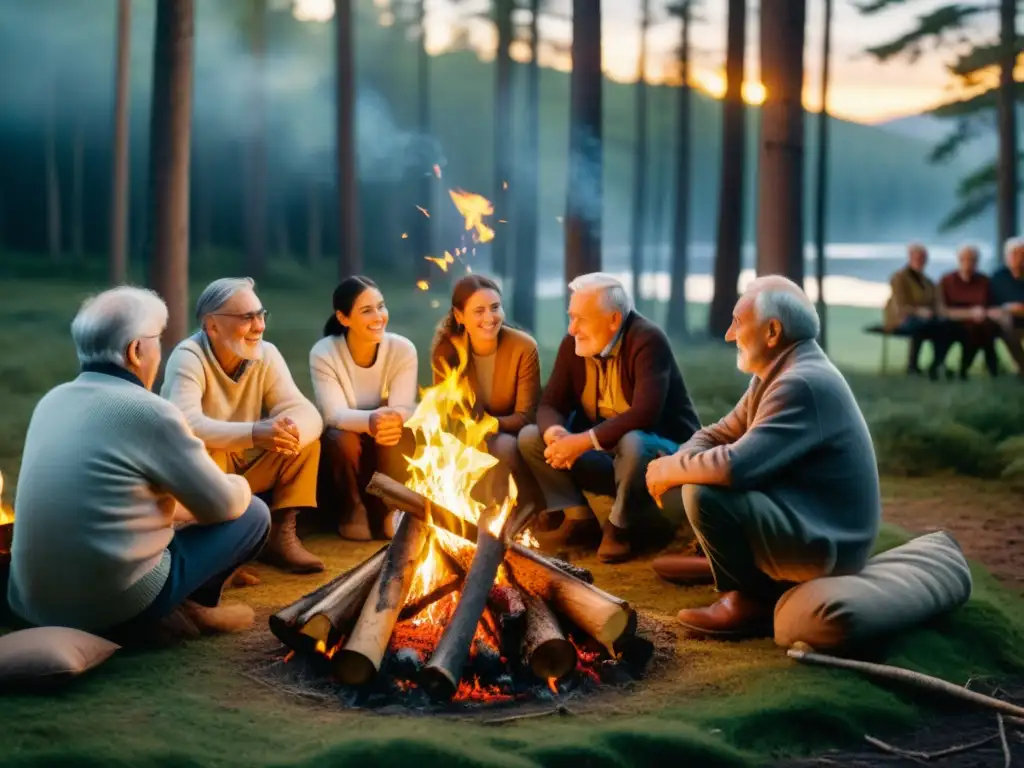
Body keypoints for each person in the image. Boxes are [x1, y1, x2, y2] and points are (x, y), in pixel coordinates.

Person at [7, 287, 269, 643]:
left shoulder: (52, 400)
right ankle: (191, 608)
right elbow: (222, 505)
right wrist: (237, 483)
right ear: (135, 350)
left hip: (30, 603)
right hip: (110, 609)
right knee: (253, 514)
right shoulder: (150, 411)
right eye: (158, 339)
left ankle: (178, 608)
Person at [645, 276, 881, 640]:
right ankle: (733, 564)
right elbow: (718, 433)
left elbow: (733, 467)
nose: (728, 334)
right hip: (805, 515)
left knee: (702, 492)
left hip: (829, 544)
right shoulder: (777, 373)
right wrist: (681, 460)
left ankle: (748, 601)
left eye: (738, 322)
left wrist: (669, 468)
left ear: (772, 331)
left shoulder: (799, 383)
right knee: (692, 477)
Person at [517, 272, 701, 564]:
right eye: (571, 317)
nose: (572, 328)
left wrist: (582, 441)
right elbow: (551, 403)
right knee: (530, 437)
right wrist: (555, 433)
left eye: (581, 319)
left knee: (633, 441)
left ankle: (620, 527)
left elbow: (645, 413)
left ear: (614, 320)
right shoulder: (574, 345)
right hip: (610, 459)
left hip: (664, 460)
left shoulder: (647, 340)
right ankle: (579, 520)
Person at [161, 277, 325, 574]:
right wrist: (254, 434)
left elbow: (305, 410)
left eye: (261, 315)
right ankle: (221, 555)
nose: (259, 326)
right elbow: (185, 424)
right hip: (204, 472)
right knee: (205, 448)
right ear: (212, 326)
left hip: (241, 464)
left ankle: (281, 535)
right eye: (247, 318)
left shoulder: (266, 354)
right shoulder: (188, 358)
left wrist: (289, 431)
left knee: (305, 446)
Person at [310, 276, 418, 541]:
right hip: (344, 446)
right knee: (340, 437)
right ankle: (352, 510)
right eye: (367, 310)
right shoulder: (324, 353)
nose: (379, 316)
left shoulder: (402, 349)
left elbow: (403, 407)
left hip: (385, 441)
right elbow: (333, 415)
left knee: (400, 432)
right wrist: (373, 420)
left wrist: (390, 420)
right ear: (344, 318)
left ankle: (389, 509)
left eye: (381, 306)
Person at [431, 275, 541, 509]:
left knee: (503, 447)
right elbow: (448, 415)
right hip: (465, 436)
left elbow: (526, 416)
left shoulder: (523, 347)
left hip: (512, 434)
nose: (489, 318)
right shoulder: (446, 351)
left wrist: (489, 425)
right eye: (478, 311)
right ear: (460, 316)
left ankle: (516, 512)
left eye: (495, 308)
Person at [883, 243, 954, 378]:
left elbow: (935, 302)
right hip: (902, 318)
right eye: (917, 258)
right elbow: (900, 304)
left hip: (924, 318)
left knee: (945, 326)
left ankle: (937, 363)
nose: (920, 261)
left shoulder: (927, 281)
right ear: (910, 258)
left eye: (923, 258)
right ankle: (913, 366)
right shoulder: (899, 278)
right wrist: (918, 311)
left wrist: (941, 311)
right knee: (921, 325)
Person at [938, 245, 1000, 378]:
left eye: (972, 260)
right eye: (965, 259)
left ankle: (965, 368)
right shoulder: (947, 280)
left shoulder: (984, 281)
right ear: (959, 260)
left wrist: (986, 313)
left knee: (983, 329)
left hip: (980, 322)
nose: (969, 263)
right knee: (970, 331)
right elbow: (942, 310)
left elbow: (991, 305)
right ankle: (962, 369)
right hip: (954, 322)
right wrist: (969, 313)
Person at [990, 236, 1024, 377]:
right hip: (1008, 320)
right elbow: (992, 304)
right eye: (1014, 254)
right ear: (1006, 256)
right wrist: (1007, 309)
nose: (1019, 258)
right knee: (1008, 329)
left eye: (1022, 254)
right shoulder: (998, 277)